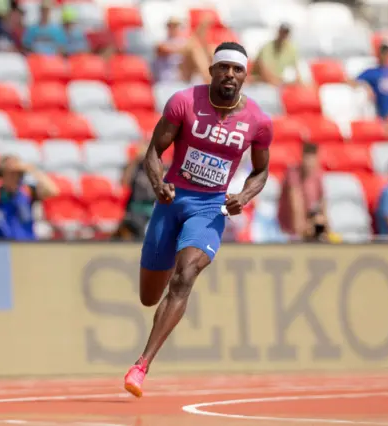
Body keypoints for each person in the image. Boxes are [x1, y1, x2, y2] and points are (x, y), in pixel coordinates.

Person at [123, 42, 273, 397]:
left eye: (237, 70)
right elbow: (154, 152)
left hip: (210, 209)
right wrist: (159, 184)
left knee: (185, 274)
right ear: (212, 71)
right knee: (148, 296)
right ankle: (150, 335)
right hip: (172, 201)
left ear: (245, 76)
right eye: (223, 68)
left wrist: (244, 196)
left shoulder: (258, 122)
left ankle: (141, 365)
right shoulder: (184, 102)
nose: (230, 75)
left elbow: (262, 172)